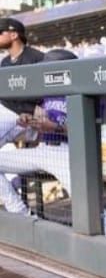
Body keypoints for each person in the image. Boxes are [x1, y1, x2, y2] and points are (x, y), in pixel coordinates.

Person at [0, 49, 74, 216]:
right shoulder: (46, 95)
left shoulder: (82, 93)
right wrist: (29, 122)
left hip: (67, 154)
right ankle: (21, 214)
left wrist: (55, 127)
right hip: (43, 150)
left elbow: (88, 130)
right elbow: (37, 131)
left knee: (87, 203)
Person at [0, 18, 44, 147]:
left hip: (24, 116)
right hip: (6, 110)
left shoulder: (37, 58)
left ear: (14, 35)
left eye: (0, 32)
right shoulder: (5, 62)